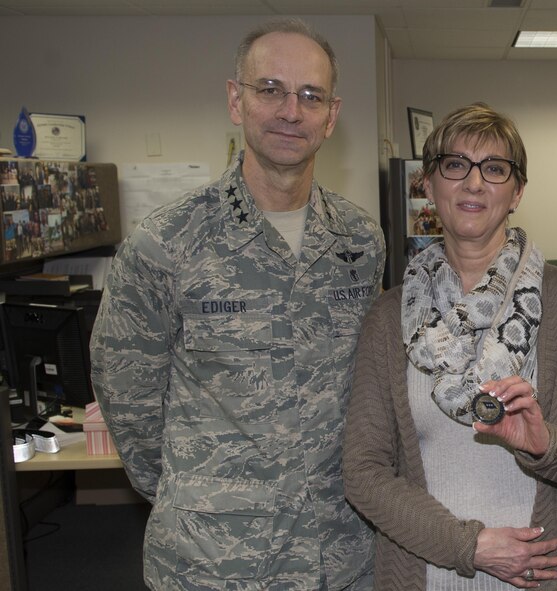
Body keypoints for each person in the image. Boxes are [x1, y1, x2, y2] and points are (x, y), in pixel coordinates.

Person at [90, 18, 385, 591]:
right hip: (215, 563)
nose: (290, 111)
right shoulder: (166, 243)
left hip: (340, 553)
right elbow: (128, 402)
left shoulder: (359, 241)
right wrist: (202, 493)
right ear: (236, 99)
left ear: (332, 114)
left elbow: (365, 387)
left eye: (310, 95)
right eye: (269, 89)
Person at [343, 102, 557, 590]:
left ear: (516, 192)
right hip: (426, 574)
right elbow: (363, 472)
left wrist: (543, 443)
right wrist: (467, 546)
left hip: (547, 577)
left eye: (494, 169)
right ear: (428, 185)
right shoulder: (389, 318)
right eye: (455, 165)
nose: (474, 184)